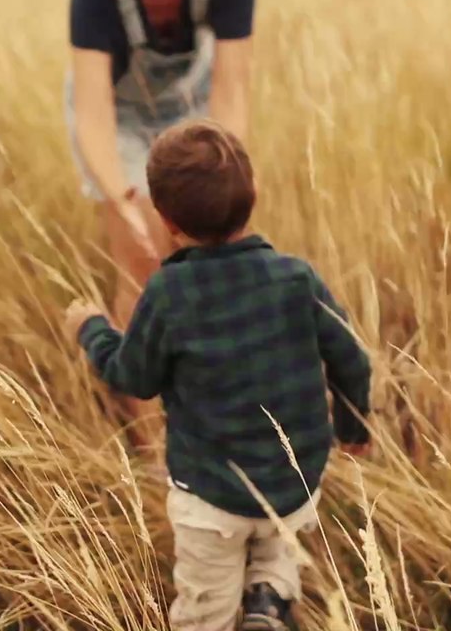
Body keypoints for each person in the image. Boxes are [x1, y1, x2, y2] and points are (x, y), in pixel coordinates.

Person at [63, 120, 372, 631]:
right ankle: (269, 600)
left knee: (205, 610)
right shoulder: (297, 279)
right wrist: (353, 427)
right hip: (293, 481)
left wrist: (92, 328)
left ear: (165, 219)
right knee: (280, 545)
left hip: (211, 498)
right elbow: (353, 358)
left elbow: (132, 376)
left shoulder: (169, 293)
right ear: (255, 194)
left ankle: (229, 615)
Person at [64, 0, 256, 454]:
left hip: (194, 108)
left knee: (215, 257)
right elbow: (95, 115)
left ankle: (220, 416)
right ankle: (153, 444)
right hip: (119, 117)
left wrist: (224, 175)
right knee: (143, 264)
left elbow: (232, 91)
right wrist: (121, 199)